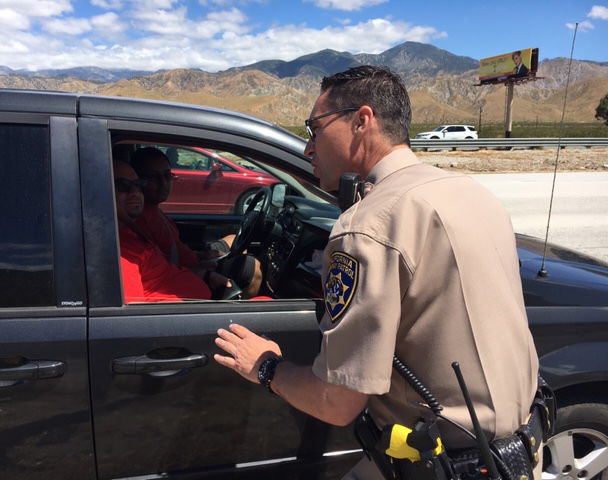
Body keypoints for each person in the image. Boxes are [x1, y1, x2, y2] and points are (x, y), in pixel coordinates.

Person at [213, 66, 541, 479]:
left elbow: (336, 403)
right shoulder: (472, 192)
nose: (309, 148)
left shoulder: (366, 227)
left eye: (315, 129)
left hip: (442, 464)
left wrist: (266, 366)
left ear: (361, 121)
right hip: (520, 451)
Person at [130, 147, 262, 298]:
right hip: (188, 270)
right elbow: (165, 266)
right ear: (138, 180)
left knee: (233, 239)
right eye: (154, 177)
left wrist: (201, 255)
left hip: (192, 260)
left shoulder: (152, 209)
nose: (163, 182)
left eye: (167, 175)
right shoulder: (142, 219)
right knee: (253, 268)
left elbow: (174, 249)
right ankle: (242, 308)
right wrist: (202, 264)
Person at [114, 159, 216, 302]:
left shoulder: (131, 233)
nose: (135, 192)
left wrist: (205, 275)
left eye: (138, 184)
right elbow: (131, 311)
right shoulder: (117, 252)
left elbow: (164, 272)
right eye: (123, 186)